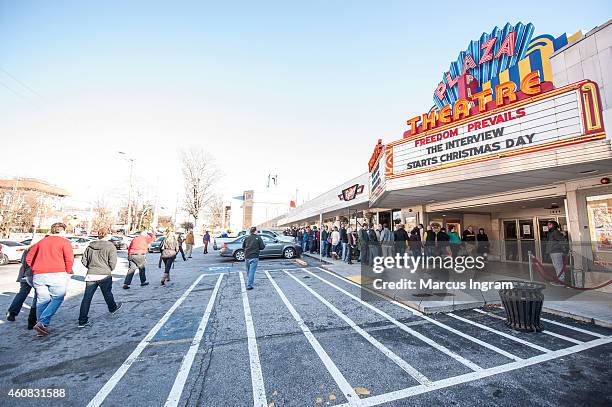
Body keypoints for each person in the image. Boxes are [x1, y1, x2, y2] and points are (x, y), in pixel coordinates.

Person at [26, 222, 74, 337]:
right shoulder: (64, 242)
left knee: (42, 300)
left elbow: (29, 258)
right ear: (62, 231)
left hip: (39, 275)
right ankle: (42, 323)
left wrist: (35, 268)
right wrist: (67, 271)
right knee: (58, 298)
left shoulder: (41, 242)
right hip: (57, 274)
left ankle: (42, 327)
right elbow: (69, 259)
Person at [78, 227, 122, 328]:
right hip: (104, 274)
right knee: (107, 293)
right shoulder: (110, 246)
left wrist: (91, 267)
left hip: (91, 274)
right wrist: (108, 269)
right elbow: (113, 262)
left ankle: (82, 320)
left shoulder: (90, 246)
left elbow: (83, 260)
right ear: (108, 235)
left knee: (87, 298)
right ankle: (112, 308)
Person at [6, 247, 38, 329]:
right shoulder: (39, 248)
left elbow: (22, 261)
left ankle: (12, 313)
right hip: (34, 274)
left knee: (22, 293)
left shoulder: (28, 248)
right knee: (38, 294)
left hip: (24, 273)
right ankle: (33, 318)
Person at [546, 221, 569, 285]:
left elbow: (562, 241)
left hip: (556, 252)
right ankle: (559, 279)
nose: (548, 226)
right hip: (553, 251)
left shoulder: (555, 232)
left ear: (554, 225)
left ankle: (561, 281)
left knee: (558, 266)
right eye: (548, 224)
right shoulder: (551, 232)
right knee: (557, 266)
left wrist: (555, 247)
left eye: (550, 224)